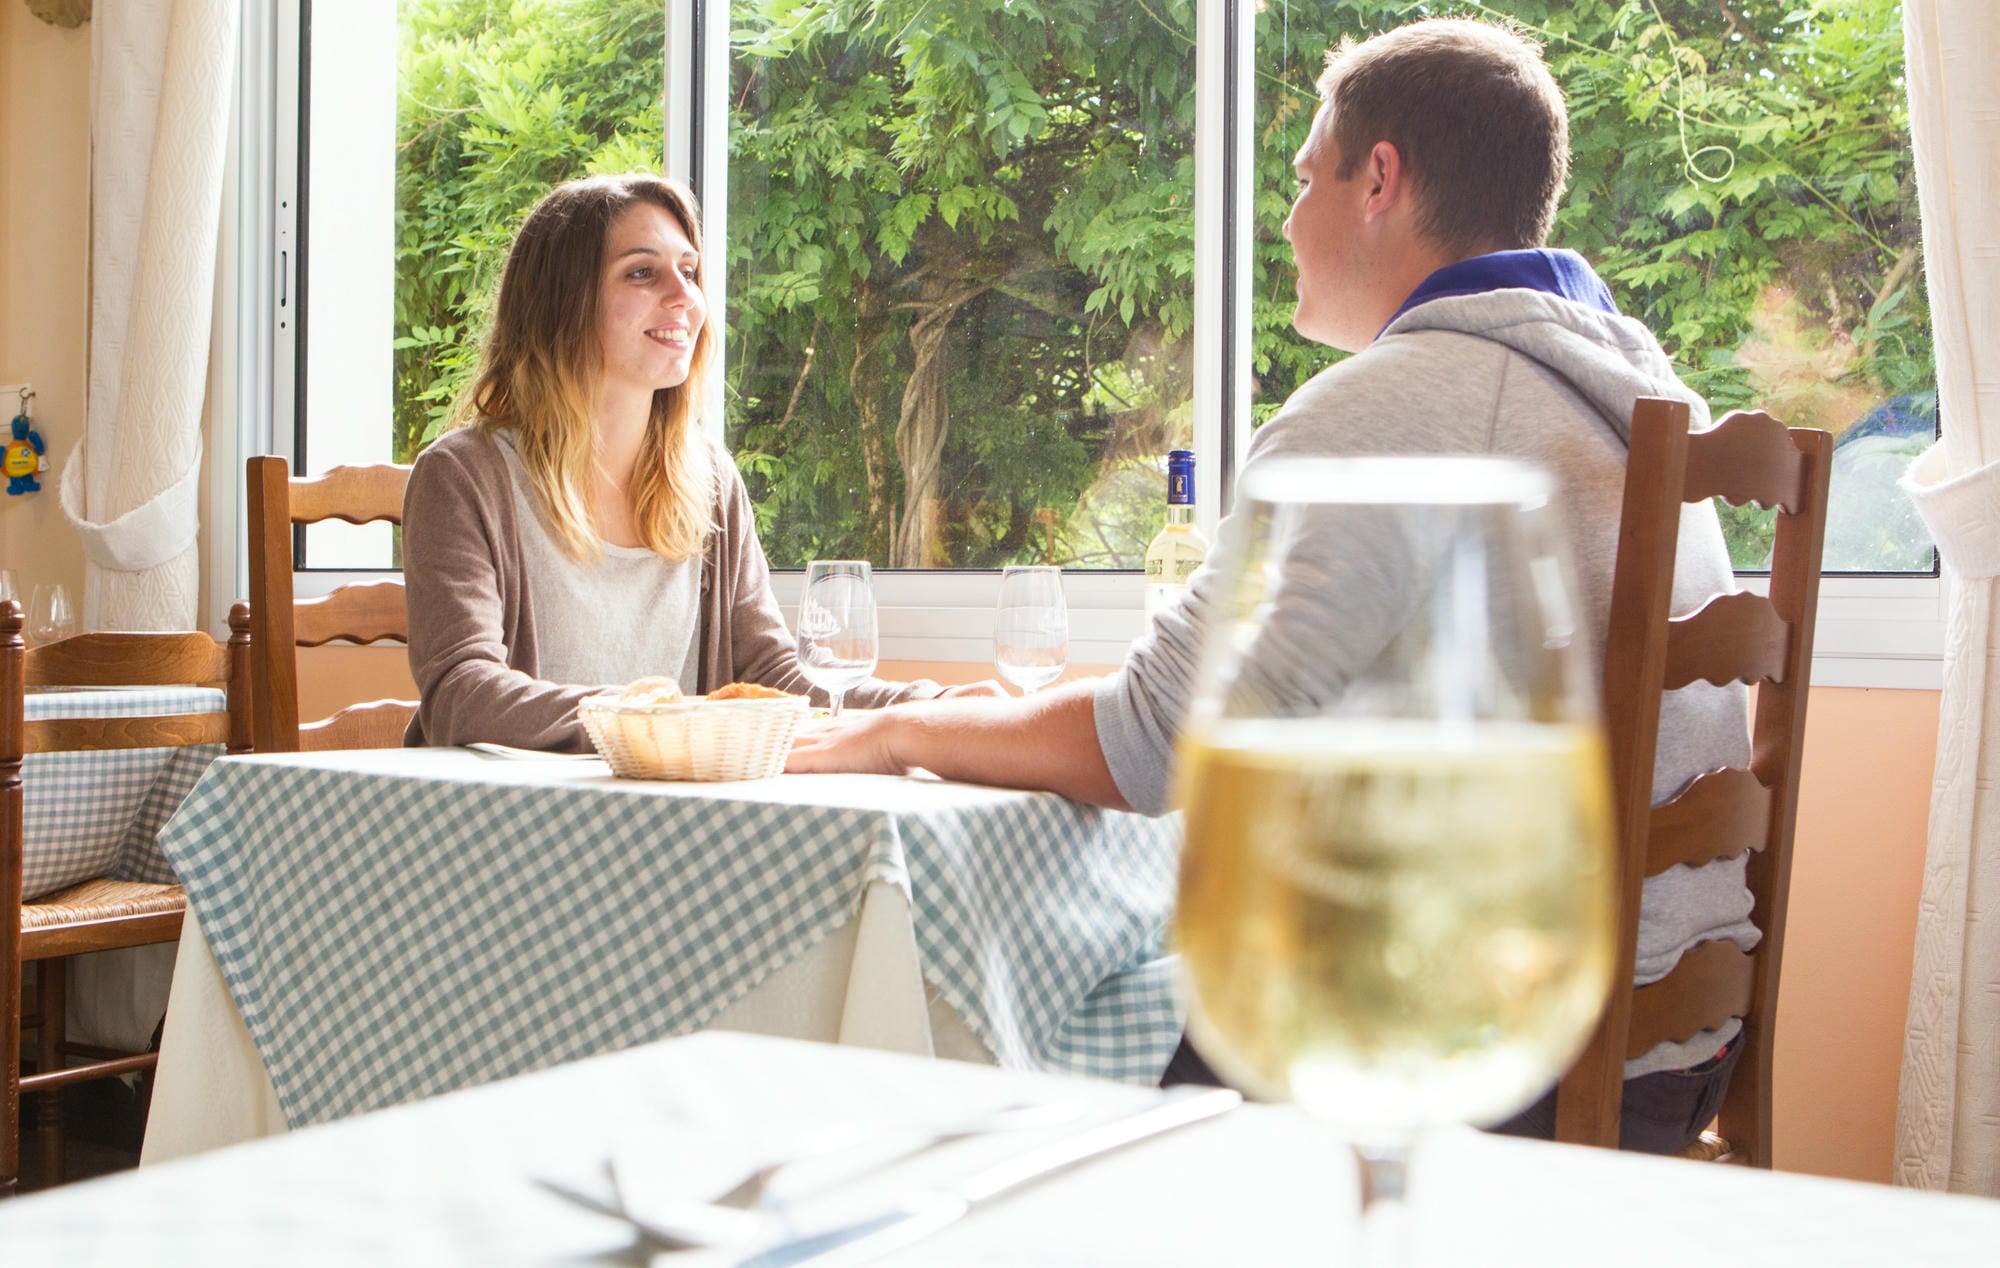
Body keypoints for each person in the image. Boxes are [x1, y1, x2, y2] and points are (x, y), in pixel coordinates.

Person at [787, 18, 1755, 1154]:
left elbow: (1147, 745)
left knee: (1028, 1084)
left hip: (1508, 1054)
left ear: (1377, 179)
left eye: (1303, 179)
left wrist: (898, 731)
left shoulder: (1394, 405)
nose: (1286, 220)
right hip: (1676, 1040)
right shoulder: (1621, 382)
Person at [404, 174, 990, 751]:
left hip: (675, 817)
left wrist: (927, 709)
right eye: (642, 272)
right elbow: (462, 692)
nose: (686, 297)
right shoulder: (463, 476)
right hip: (517, 824)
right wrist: (658, 719)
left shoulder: (708, 480)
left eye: (689, 272)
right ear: (560, 301)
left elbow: (772, 676)